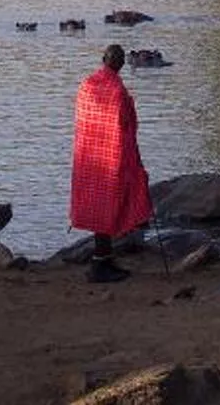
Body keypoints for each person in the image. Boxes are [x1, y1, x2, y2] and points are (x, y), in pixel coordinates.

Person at [69, 41, 153, 283]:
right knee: (109, 206)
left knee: (98, 207)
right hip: (110, 157)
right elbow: (127, 127)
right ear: (121, 64)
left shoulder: (87, 84)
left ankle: (103, 258)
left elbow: (84, 120)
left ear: (102, 60)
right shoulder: (117, 90)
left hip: (87, 157)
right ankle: (101, 263)